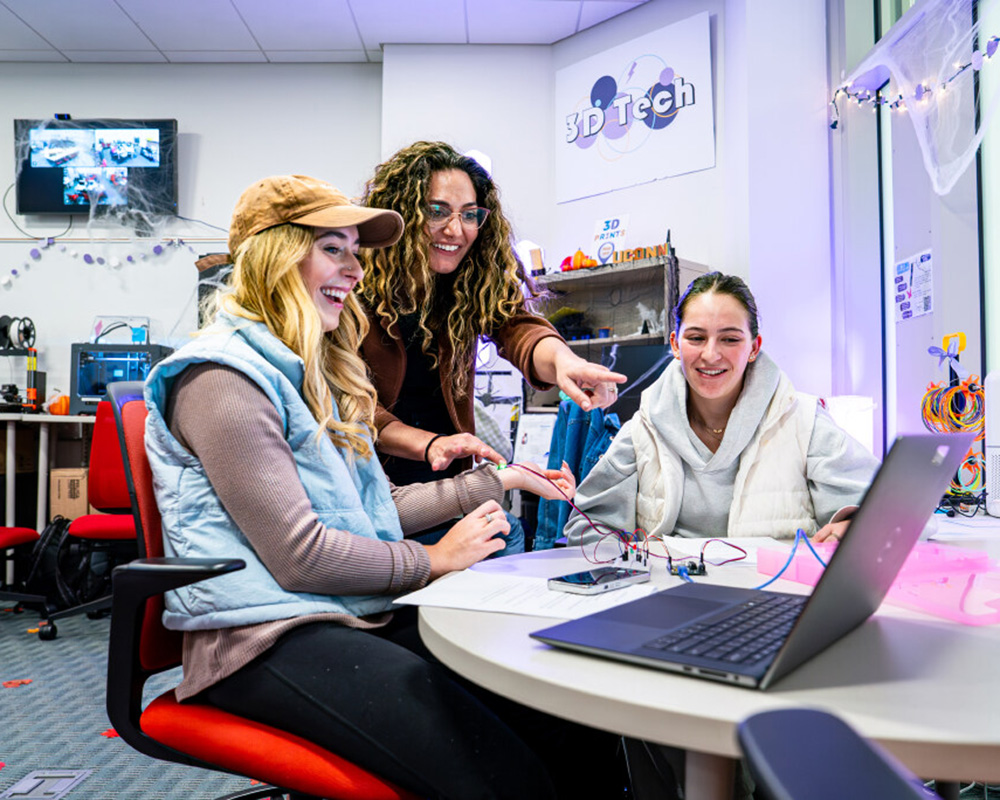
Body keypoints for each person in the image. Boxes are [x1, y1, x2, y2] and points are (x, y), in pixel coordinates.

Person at [143, 174, 616, 799]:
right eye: (332, 249)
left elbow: (373, 508)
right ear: (276, 256)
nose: (356, 271)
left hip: (340, 613)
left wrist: (498, 480)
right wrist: (433, 561)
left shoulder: (311, 372)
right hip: (259, 639)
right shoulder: (222, 377)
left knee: (563, 718)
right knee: (504, 774)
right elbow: (300, 554)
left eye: (356, 253)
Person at [359, 141, 627, 489]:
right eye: (437, 210)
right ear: (402, 212)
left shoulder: (469, 280)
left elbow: (518, 329)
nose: (456, 230)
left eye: (470, 214)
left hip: (447, 483)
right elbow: (352, 406)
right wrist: (430, 444)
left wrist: (563, 362)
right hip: (371, 487)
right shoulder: (352, 289)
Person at [565, 272, 880, 546]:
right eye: (696, 337)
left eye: (730, 339)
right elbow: (585, 529)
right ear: (675, 344)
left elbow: (889, 514)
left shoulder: (804, 422)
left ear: (754, 348)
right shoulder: (643, 430)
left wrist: (854, 528)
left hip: (772, 603)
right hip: (670, 604)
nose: (711, 354)